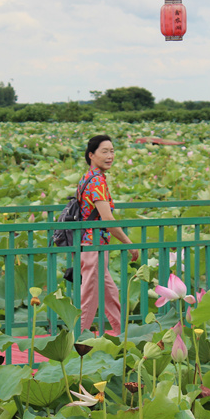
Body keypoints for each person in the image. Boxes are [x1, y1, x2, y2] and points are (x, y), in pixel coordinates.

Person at [78, 134, 139, 335]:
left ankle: (124, 336)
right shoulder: (97, 182)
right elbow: (108, 220)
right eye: (104, 151)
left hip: (93, 246)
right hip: (93, 246)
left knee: (110, 295)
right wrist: (128, 243)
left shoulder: (87, 178)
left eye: (112, 151)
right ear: (91, 155)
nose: (110, 155)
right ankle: (78, 342)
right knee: (89, 298)